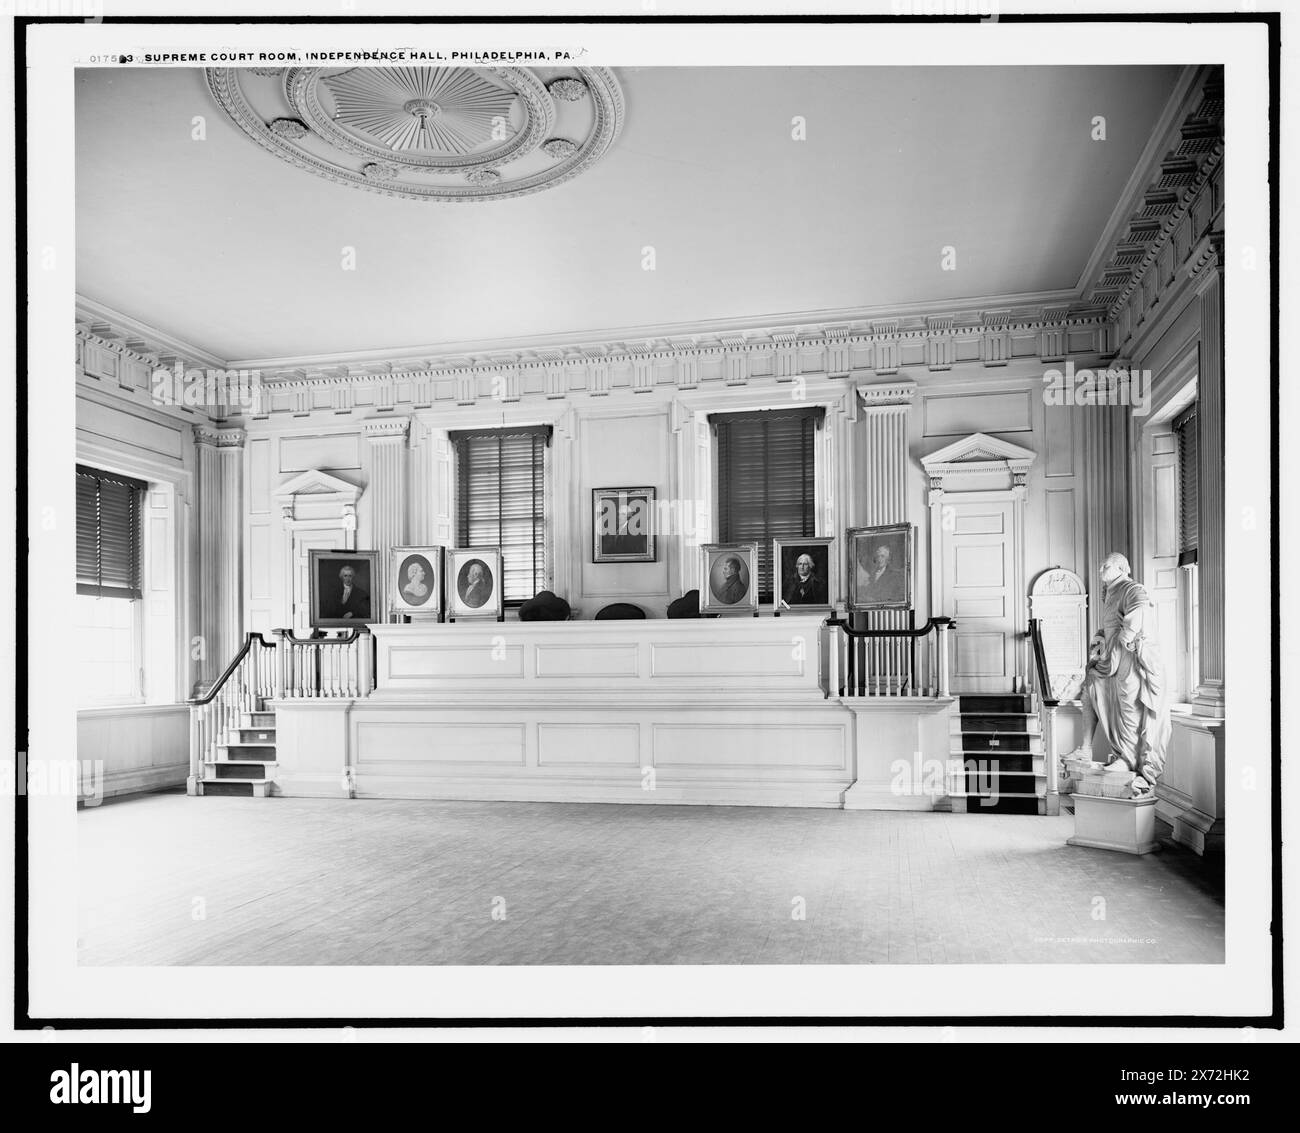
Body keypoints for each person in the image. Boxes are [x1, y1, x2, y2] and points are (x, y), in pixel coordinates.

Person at [1064, 552, 1171, 792]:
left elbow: (1141, 609)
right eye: (1101, 564)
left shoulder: (1132, 588)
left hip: (1128, 656)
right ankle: (1086, 748)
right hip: (1110, 656)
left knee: (1128, 706)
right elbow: (1109, 624)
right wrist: (1100, 637)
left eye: (1107, 565)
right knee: (1091, 685)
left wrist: (1126, 637)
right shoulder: (1110, 593)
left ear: (1122, 568)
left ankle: (1128, 759)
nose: (1101, 567)